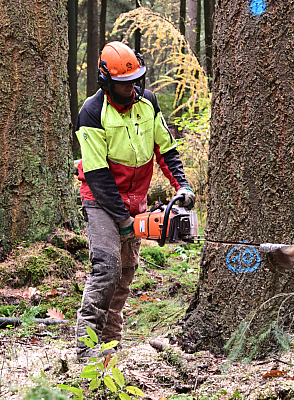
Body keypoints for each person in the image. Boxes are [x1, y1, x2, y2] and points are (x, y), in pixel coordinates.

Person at [74, 42, 195, 360]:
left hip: (136, 199)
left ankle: (112, 343)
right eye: (122, 84)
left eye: (134, 81)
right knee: (107, 267)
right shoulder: (91, 112)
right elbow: (98, 175)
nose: (130, 89)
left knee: (126, 272)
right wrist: (123, 220)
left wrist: (181, 186)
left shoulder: (149, 103)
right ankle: (86, 348)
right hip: (100, 200)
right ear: (106, 81)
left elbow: (165, 149)